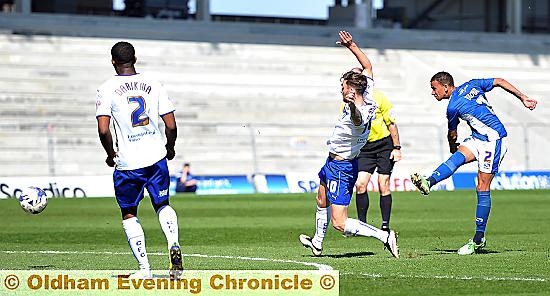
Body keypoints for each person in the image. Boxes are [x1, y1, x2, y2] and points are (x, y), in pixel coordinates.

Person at [411, 71, 538, 255]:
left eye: (434, 88)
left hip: (493, 140)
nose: (432, 92)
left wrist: (452, 145)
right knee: (455, 160)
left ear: (445, 86)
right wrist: (523, 98)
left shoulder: (452, 107)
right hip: (478, 137)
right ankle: (428, 182)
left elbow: (452, 133)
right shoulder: (472, 84)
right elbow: (499, 81)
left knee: (481, 186)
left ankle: (479, 239)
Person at [299, 31, 399, 258]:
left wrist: (352, 105)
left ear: (351, 91)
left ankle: (384, 236)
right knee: (321, 198)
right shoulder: (369, 93)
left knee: (340, 223)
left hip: (342, 167)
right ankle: (317, 242)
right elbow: (368, 65)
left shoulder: (360, 111)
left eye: (343, 86)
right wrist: (351, 45)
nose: (341, 89)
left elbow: (356, 118)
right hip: (333, 162)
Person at [95, 41, 183, 278]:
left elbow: (104, 130)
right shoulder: (154, 84)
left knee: (129, 212)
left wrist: (110, 153)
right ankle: (173, 244)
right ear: (135, 58)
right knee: (163, 205)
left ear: (113, 61)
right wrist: (170, 147)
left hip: (128, 162)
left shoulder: (106, 88)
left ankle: (145, 269)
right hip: (156, 157)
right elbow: (171, 124)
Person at [354, 89, 402, 231]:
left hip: (384, 145)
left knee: (383, 184)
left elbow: (391, 122)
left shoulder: (379, 97)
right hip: (364, 147)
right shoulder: (348, 102)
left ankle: (385, 225)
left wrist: (397, 147)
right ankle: (362, 224)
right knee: (360, 184)